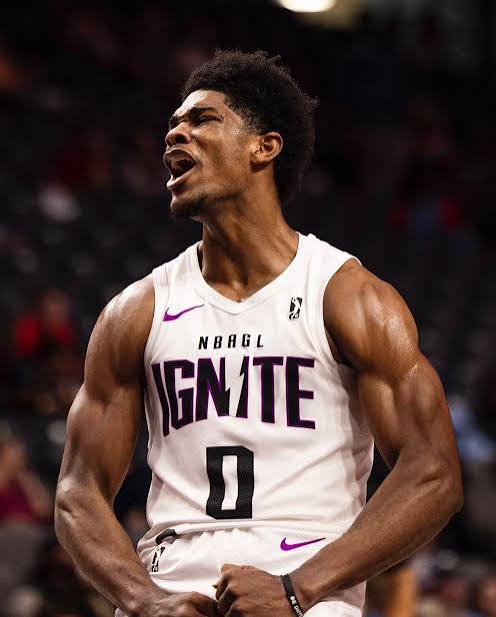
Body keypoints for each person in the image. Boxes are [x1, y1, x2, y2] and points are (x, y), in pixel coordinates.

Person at [54, 50, 463, 617]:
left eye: (202, 120)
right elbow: (77, 493)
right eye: (173, 124)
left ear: (264, 147)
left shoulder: (347, 296)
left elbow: (434, 472)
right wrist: (144, 601)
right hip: (172, 591)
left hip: (305, 593)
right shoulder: (136, 311)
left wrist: (298, 588)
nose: (175, 135)